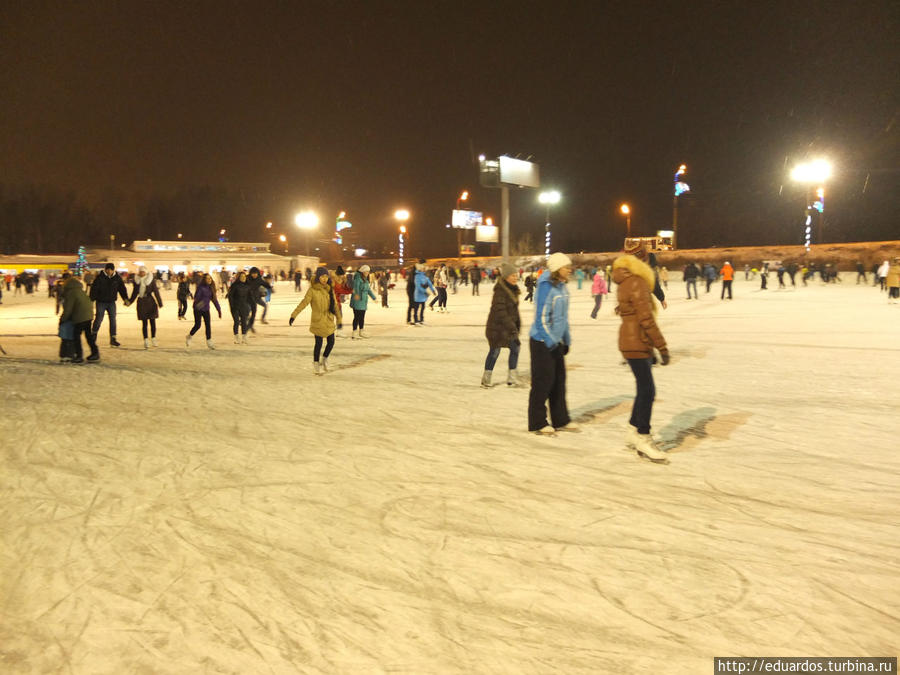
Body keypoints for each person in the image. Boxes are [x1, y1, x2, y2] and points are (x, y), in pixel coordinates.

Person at [612, 242, 670, 462]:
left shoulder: (629, 280)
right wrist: (662, 347)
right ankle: (643, 437)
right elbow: (646, 319)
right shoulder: (637, 282)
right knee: (648, 391)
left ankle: (632, 431)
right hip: (637, 340)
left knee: (643, 389)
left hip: (632, 340)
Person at [528, 252, 576, 434]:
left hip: (556, 342)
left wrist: (566, 340)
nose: (569, 269)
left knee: (559, 381)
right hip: (541, 342)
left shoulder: (562, 287)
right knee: (543, 382)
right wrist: (550, 341)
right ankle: (537, 422)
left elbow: (562, 318)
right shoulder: (545, 287)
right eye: (566, 267)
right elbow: (541, 319)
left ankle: (560, 419)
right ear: (557, 269)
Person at [289, 266, 340, 374]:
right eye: (322, 276)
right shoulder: (312, 290)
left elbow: (335, 306)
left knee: (331, 342)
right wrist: (294, 315)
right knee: (319, 343)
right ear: (318, 277)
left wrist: (339, 319)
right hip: (318, 320)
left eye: (326, 276)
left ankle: (325, 359)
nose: (324, 279)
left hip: (329, 319)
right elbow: (304, 303)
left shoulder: (329, 289)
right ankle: (316, 363)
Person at [482, 262, 522, 388]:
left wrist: (517, 322)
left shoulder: (513, 290)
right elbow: (500, 311)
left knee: (515, 347)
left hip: (508, 328)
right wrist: (512, 325)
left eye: (516, 275)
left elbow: (513, 310)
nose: (515, 278)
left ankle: (511, 377)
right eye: (513, 276)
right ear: (506, 277)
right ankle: (486, 378)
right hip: (496, 328)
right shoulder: (500, 291)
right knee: (495, 352)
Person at [59, 276, 99, 363]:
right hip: (88, 315)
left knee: (76, 336)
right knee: (88, 335)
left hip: (80, 317)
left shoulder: (71, 293)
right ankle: (95, 353)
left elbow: (68, 309)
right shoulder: (80, 290)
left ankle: (79, 355)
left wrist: (63, 319)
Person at [89, 263, 129, 347]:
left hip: (111, 302)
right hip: (101, 302)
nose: (109, 271)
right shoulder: (99, 278)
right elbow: (94, 290)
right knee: (99, 319)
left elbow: (122, 289)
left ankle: (113, 338)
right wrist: (91, 300)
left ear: (113, 270)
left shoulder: (117, 278)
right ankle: (93, 335)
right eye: (108, 269)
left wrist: (125, 298)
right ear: (105, 269)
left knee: (113, 320)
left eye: (111, 270)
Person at [128, 266, 163, 349]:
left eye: (143, 272)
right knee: (144, 323)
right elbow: (134, 293)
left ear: (146, 272)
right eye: (140, 272)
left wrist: (160, 302)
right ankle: (146, 340)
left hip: (150, 301)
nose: (142, 273)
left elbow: (156, 291)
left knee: (152, 321)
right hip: (141, 302)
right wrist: (129, 302)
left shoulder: (150, 280)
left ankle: (153, 338)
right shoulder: (136, 281)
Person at [186, 273, 222, 349]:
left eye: (210, 278)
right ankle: (189, 336)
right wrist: (200, 303)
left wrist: (219, 310)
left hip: (206, 309)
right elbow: (196, 298)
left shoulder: (211, 288)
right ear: (204, 280)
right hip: (198, 309)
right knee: (197, 325)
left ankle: (209, 341)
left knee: (208, 325)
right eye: (207, 278)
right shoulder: (200, 287)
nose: (209, 280)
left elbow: (215, 300)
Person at [350, 264, 377, 338]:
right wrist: (356, 295)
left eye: (368, 271)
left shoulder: (365, 280)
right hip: (357, 300)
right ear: (363, 271)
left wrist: (374, 298)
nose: (367, 273)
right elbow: (356, 288)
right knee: (357, 317)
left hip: (363, 301)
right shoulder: (357, 279)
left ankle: (361, 331)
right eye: (366, 271)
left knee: (362, 317)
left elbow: (368, 290)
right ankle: (354, 332)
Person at [226, 270, 253, 344]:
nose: (243, 278)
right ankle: (236, 337)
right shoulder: (235, 285)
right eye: (241, 277)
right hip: (235, 306)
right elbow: (230, 296)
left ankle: (244, 337)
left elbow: (250, 297)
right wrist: (232, 305)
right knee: (237, 322)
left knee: (244, 322)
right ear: (239, 278)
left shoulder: (248, 286)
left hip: (243, 306)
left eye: (244, 277)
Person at [245, 267, 272, 333]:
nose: (254, 275)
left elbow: (266, 285)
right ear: (250, 274)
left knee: (264, 306)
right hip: (248, 298)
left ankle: (261, 319)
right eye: (253, 274)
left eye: (255, 274)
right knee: (248, 313)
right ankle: (249, 326)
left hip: (257, 298)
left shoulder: (259, 279)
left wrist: (269, 285)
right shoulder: (247, 279)